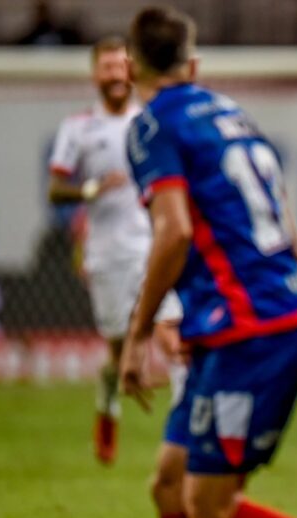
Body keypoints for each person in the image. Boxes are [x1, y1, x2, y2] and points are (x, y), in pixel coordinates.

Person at [118, 7, 297, 518]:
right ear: (194, 62)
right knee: (169, 483)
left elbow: (175, 230)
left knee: (206, 504)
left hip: (252, 334)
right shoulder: (231, 115)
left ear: (132, 67)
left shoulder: (154, 126)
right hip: (240, 324)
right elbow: (278, 222)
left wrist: (138, 336)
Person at [47, 36, 183, 465]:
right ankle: (107, 408)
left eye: (120, 67)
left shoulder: (149, 120)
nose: (115, 75)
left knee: (171, 335)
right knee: (119, 350)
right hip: (106, 252)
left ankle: (186, 438)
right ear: (95, 75)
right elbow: (55, 189)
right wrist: (91, 188)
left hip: (153, 244)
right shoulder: (78, 128)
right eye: (106, 68)